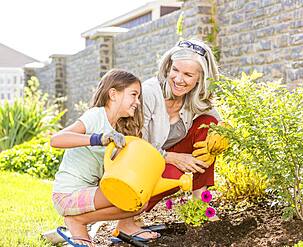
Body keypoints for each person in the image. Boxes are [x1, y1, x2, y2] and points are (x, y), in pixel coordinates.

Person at [120, 39, 228, 231]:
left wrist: (223, 131)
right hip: (139, 162)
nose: (179, 79)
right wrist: (173, 158)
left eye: (188, 74)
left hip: (167, 156)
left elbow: (213, 117)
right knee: (172, 177)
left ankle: (200, 203)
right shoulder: (149, 93)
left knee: (208, 126)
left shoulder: (195, 97)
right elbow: (134, 145)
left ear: (200, 78)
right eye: (175, 70)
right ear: (168, 67)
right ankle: (128, 215)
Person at [50, 69, 159, 247]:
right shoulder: (96, 116)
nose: (137, 102)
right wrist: (98, 138)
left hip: (87, 195)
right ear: (113, 94)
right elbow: (56, 140)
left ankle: (79, 222)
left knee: (138, 200)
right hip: (68, 195)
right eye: (134, 95)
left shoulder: (117, 130)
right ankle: (77, 222)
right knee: (133, 199)